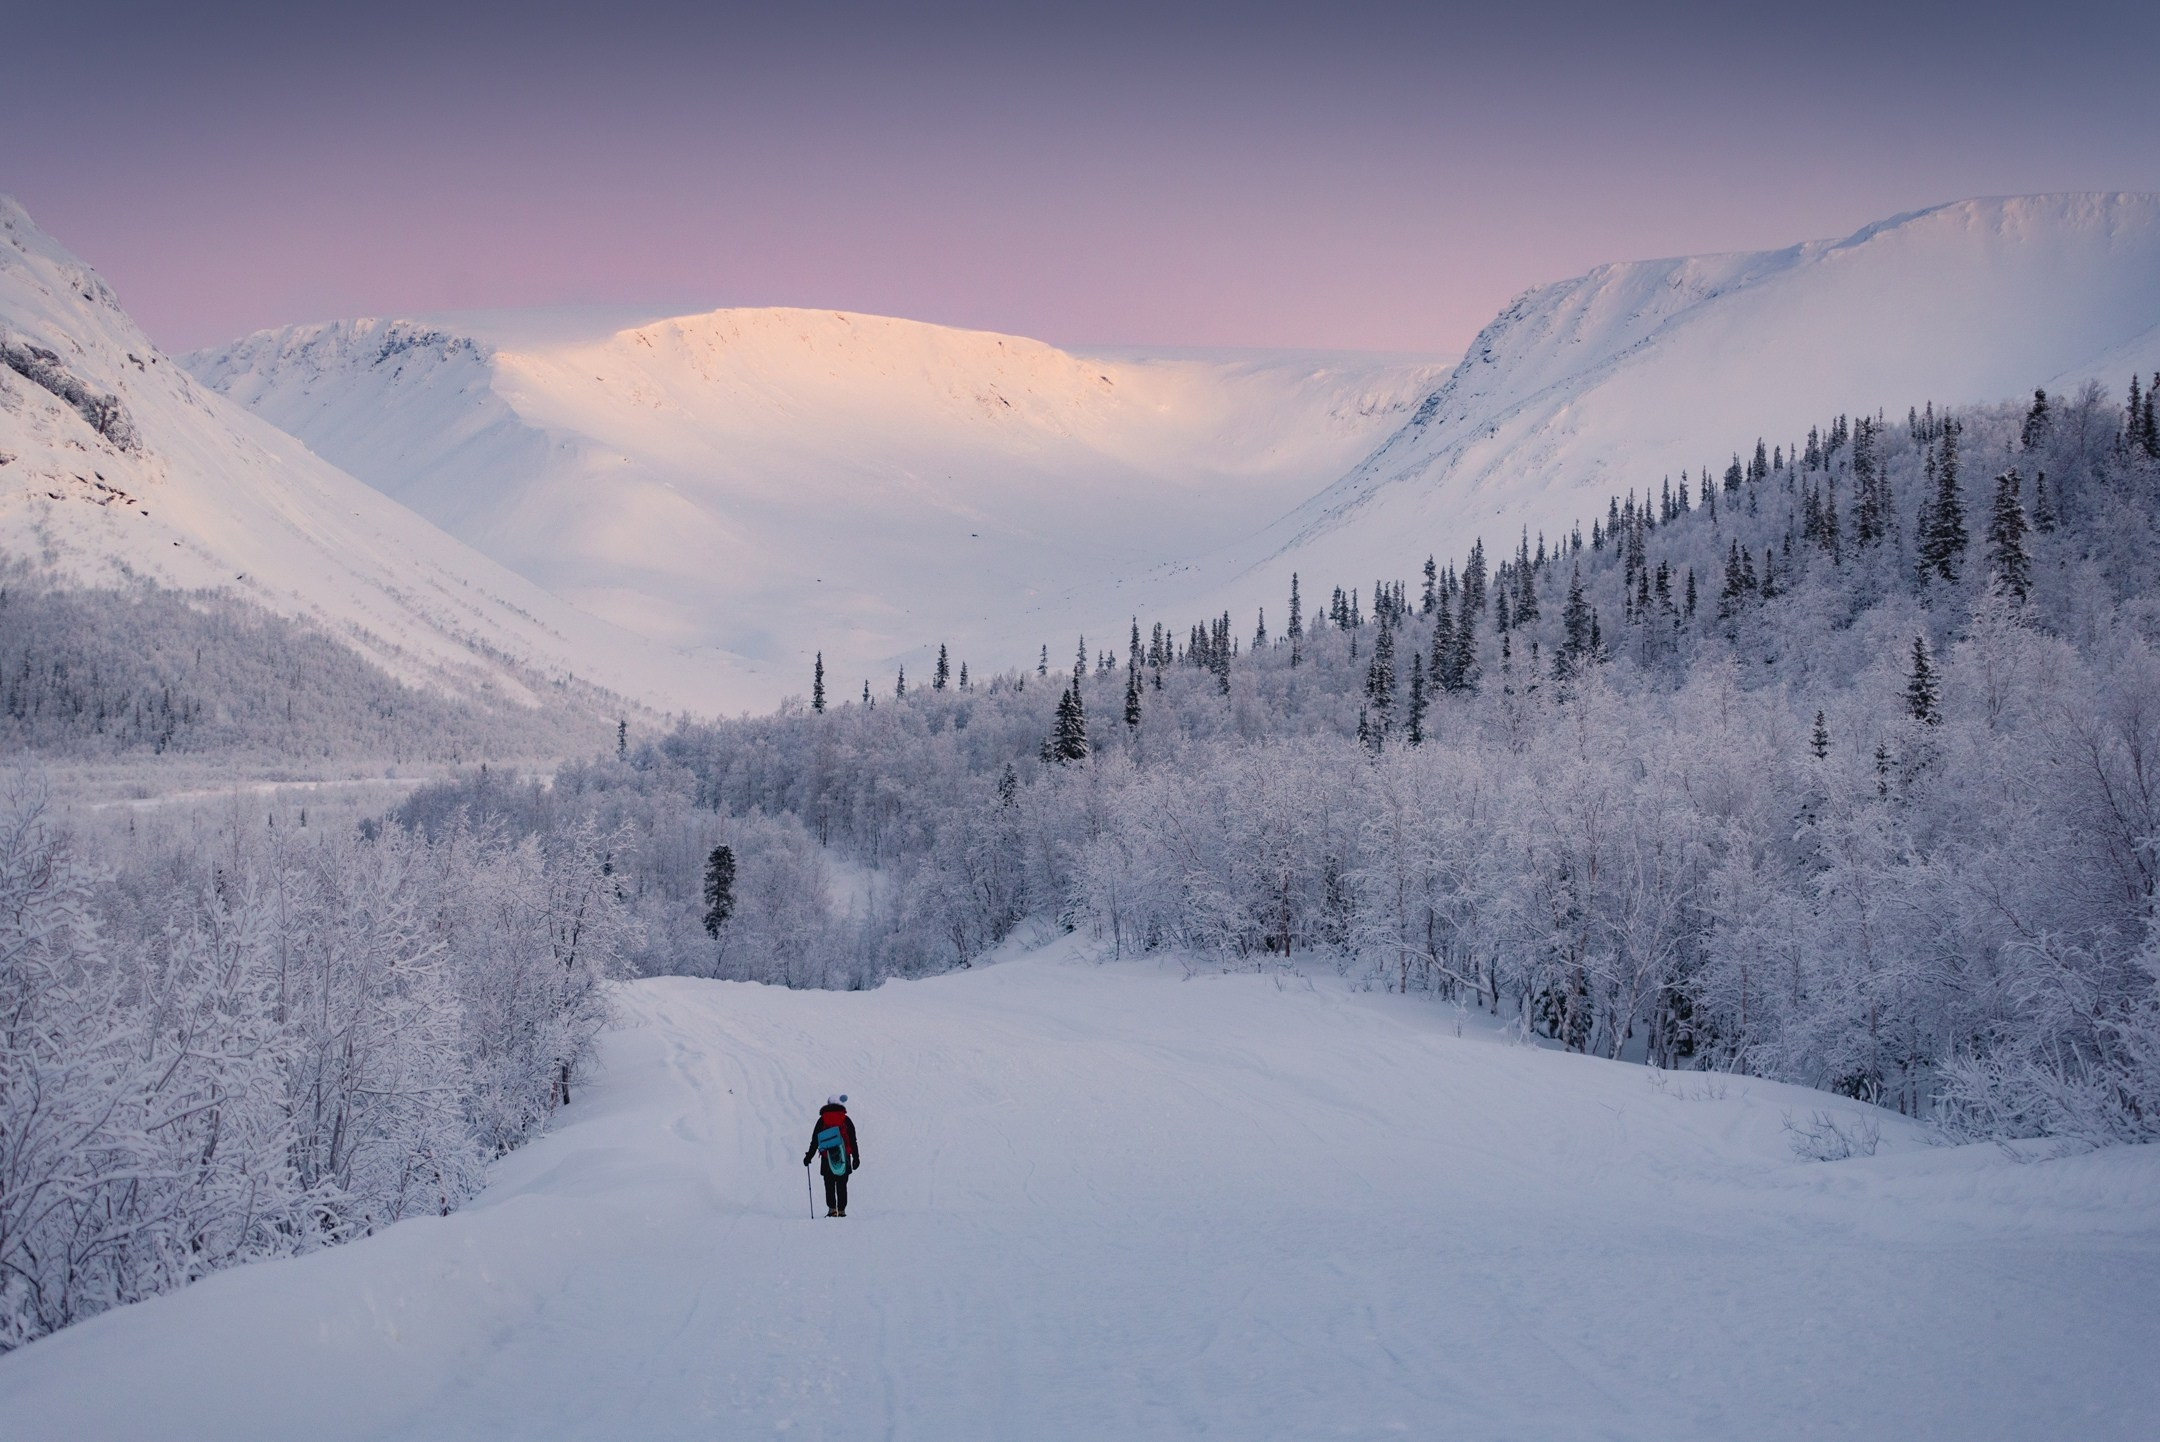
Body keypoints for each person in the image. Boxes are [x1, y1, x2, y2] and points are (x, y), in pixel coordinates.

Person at [803, 1094, 860, 1217]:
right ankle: (842, 1211)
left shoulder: (822, 1120)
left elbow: (815, 1140)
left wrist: (809, 1157)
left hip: (826, 1157)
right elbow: (853, 1140)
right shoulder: (846, 1120)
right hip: (844, 1157)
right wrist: (856, 1158)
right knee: (842, 1184)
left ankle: (832, 1210)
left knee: (829, 1184)